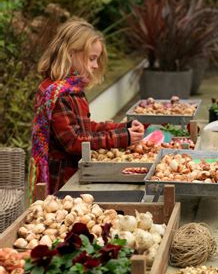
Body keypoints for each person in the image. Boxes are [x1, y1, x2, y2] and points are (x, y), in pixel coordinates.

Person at [29, 19, 144, 199]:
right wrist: (122, 138)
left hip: (73, 175)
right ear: (70, 54)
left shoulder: (70, 90)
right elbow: (74, 141)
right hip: (63, 183)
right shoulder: (58, 94)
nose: (96, 65)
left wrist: (123, 128)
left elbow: (85, 127)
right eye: (91, 58)